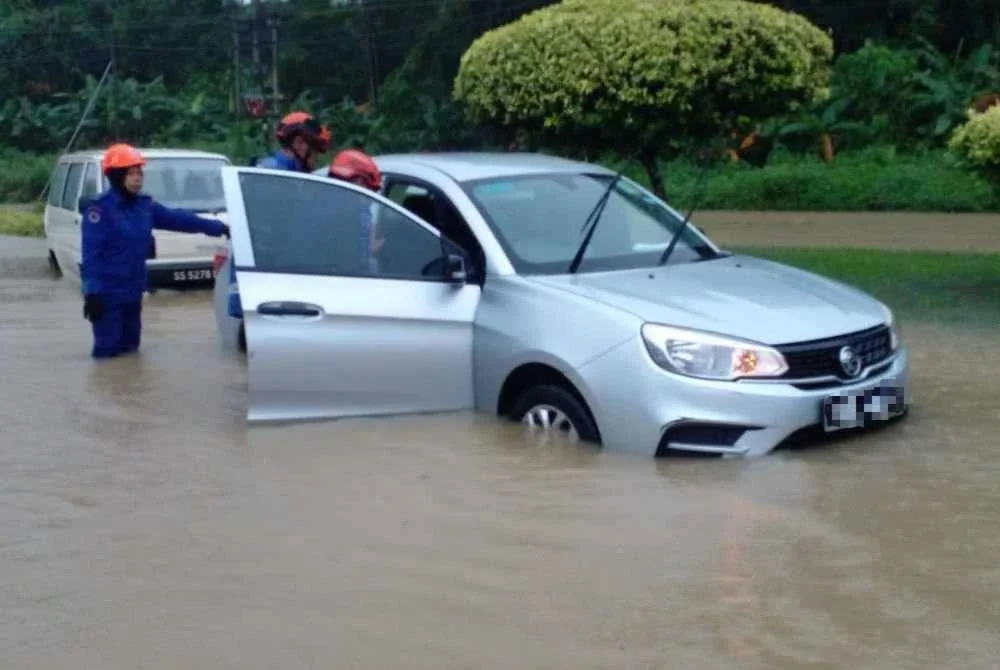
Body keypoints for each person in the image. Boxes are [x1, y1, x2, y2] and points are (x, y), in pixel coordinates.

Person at [80, 143, 230, 359]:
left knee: (131, 352)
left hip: (133, 292)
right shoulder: (99, 210)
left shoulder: (145, 206)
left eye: (139, 173)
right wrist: (91, 293)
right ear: (116, 176)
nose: (136, 178)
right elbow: (91, 255)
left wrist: (220, 228)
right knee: (107, 356)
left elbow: (181, 220)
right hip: (107, 295)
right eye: (130, 173)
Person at [227, 111, 331, 323]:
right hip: (263, 295)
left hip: (263, 294)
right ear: (300, 143)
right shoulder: (276, 178)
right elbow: (290, 233)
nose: (317, 158)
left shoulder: (284, 174)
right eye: (316, 150)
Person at [327, 149, 384, 273]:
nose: (371, 197)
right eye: (369, 189)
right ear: (357, 183)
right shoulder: (336, 219)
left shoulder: (359, 212)